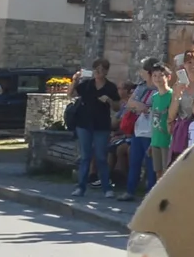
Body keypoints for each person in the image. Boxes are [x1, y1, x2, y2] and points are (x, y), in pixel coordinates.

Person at [68, 59, 118, 198]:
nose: (98, 72)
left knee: (101, 157)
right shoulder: (87, 85)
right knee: (85, 157)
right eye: (96, 69)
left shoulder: (110, 87)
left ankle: (107, 188)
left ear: (106, 71)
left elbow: (117, 106)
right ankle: (81, 187)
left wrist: (108, 100)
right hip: (84, 124)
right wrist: (75, 80)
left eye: (101, 70)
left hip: (101, 126)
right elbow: (71, 94)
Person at [122, 61, 163, 199]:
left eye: (143, 71)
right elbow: (129, 104)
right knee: (135, 161)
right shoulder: (141, 87)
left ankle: (150, 195)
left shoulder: (160, 90)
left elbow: (156, 108)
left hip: (152, 131)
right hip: (138, 129)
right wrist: (140, 106)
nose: (141, 73)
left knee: (151, 165)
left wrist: (141, 106)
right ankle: (130, 191)